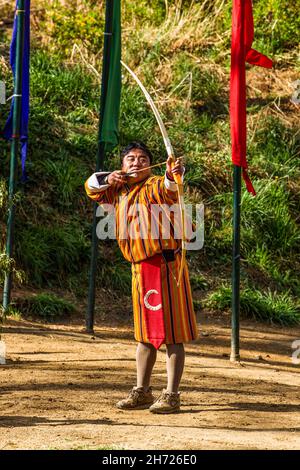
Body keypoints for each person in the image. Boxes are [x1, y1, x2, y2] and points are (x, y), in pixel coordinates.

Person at [84, 141, 198, 414]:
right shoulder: (117, 191)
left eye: (142, 158)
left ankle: (171, 394)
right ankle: (143, 390)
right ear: (122, 166)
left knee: (173, 334)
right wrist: (107, 177)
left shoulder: (156, 185)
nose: (137, 162)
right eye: (131, 159)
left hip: (168, 267)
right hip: (139, 268)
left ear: (151, 165)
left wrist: (173, 173)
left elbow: (170, 188)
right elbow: (91, 187)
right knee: (144, 335)